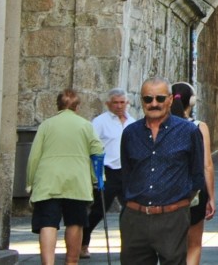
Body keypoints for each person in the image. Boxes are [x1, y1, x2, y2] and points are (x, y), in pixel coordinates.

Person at [120, 77, 205, 264]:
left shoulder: (188, 131)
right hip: (135, 219)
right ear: (142, 101)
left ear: (170, 100)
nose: (154, 104)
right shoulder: (130, 133)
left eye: (159, 98)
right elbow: (126, 174)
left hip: (172, 217)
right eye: (148, 99)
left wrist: (179, 205)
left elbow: (197, 173)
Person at [26, 88, 104, 265]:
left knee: (48, 222)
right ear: (78, 107)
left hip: (48, 180)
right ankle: (71, 262)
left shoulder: (46, 125)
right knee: (75, 221)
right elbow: (98, 152)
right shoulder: (86, 126)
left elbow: (34, 157)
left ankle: (48, 263)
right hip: (77, 181)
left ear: (58, 106)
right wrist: (97, 178)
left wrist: (30, 182)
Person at [82, 87, 134, 259]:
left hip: (126, 172)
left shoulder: (131, 122)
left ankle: (129, 244)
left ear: (127, 103)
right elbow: (90, 144)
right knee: (98, 210)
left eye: (122, 102)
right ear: (108, 104)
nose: (119, 106)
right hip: (107, 171)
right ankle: (83, 243)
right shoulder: (100, 122)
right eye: (115, 103)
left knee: (130, 210)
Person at [171, 82, 216, 265]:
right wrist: (211, 197)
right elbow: (207, 165)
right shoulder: (198, 126)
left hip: (167, 191)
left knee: (170, 244)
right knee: (194, 244)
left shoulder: (161, 126)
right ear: (192, 102)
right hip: (193, 192)